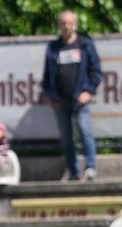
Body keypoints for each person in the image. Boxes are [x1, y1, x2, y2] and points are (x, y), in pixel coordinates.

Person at [42, 11, 101, 181]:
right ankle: (74, 172)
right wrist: (51, 97)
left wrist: (89, 91)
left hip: (80, 100)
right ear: (59, 25)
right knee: (67, 139)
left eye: (69, 23)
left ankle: (90, 167)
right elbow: (47, 76)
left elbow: (95, 71)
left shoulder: (85, 44)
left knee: (84, 131)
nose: (66, 27)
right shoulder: (53, 48)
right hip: (61, 101)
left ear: (75, 24)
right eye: (63, 23)